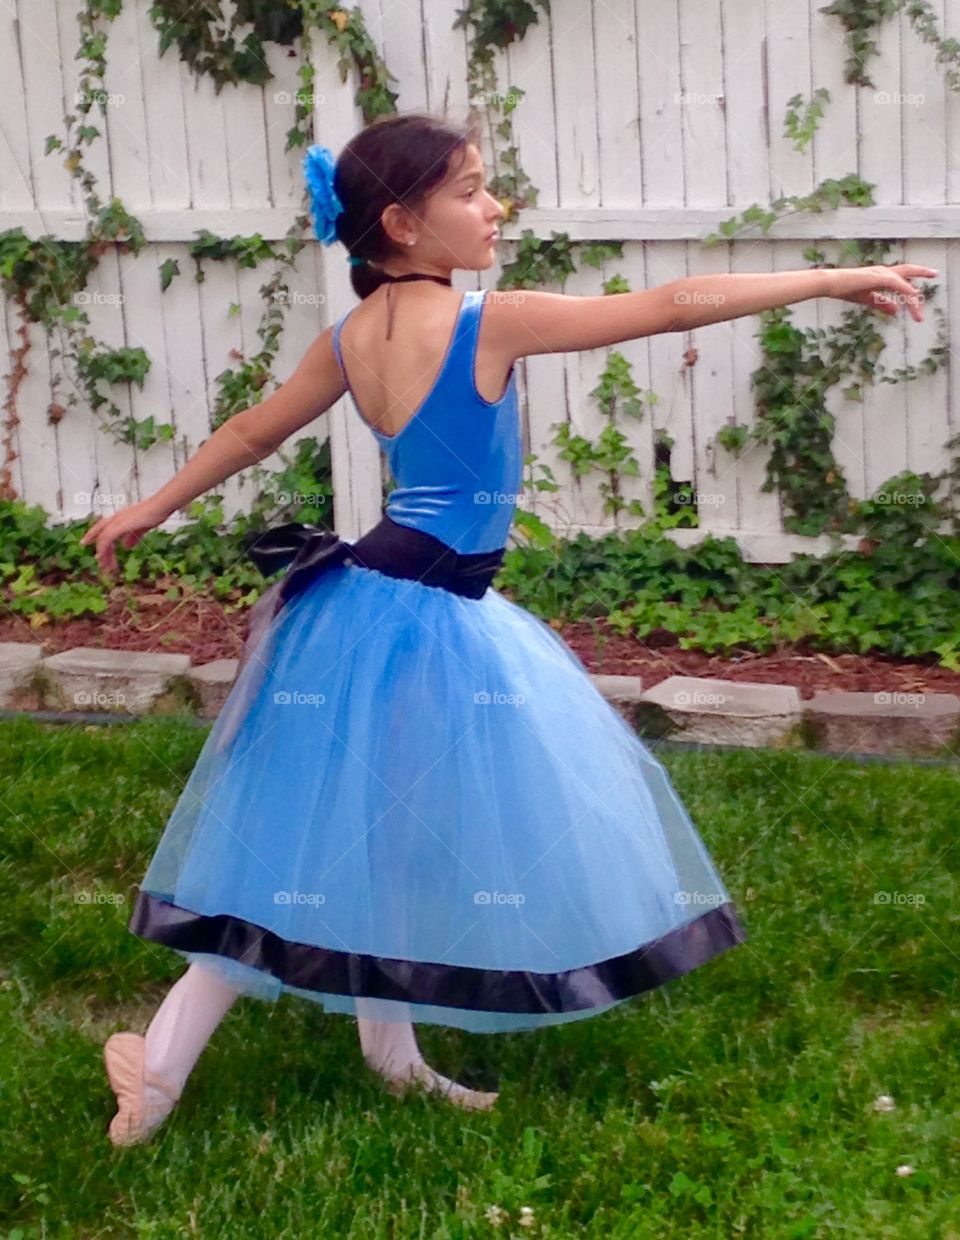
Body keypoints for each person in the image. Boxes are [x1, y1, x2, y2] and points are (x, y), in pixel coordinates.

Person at [82, 110, 935, 1146]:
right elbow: (672, 304)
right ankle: (159, 1066)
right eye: (472, 191)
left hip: (372, 604)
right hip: (424, 614)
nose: (496, 207)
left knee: (368, 830)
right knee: (317, 839)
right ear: (402, 222)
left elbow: (250, 429)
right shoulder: (488, 322)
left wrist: (151, 505)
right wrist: (828, 279)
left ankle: (389, 1054)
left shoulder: (355, 336)